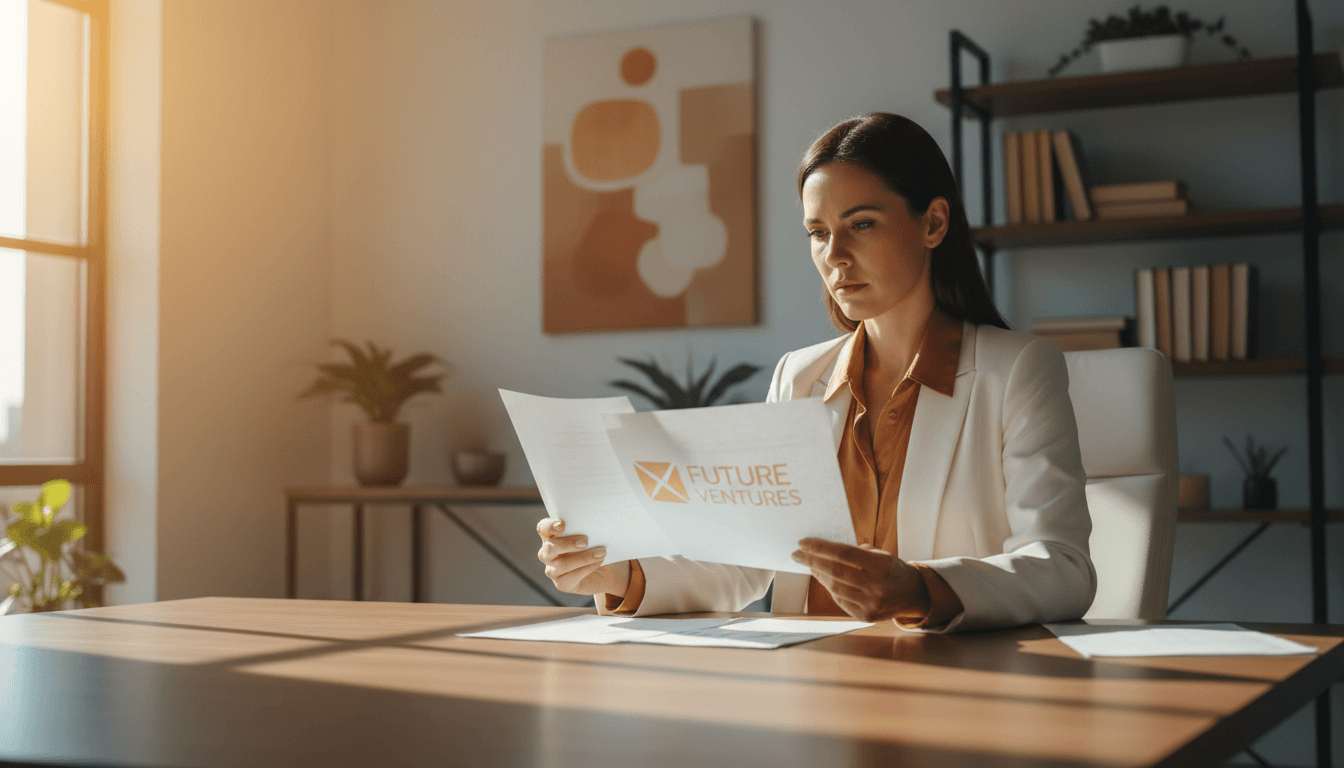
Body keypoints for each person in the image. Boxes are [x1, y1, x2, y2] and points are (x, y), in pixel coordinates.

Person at [535, 113, 1096, 632]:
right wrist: (619, 574)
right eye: (819, 232)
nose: (835, 255)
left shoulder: (1017, 369)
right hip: (809, 685)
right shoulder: (799, 377)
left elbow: (1063, 568)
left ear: (933, 223)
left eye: (862, 224)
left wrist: (920, 588)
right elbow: (748, 563)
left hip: (948, 683)